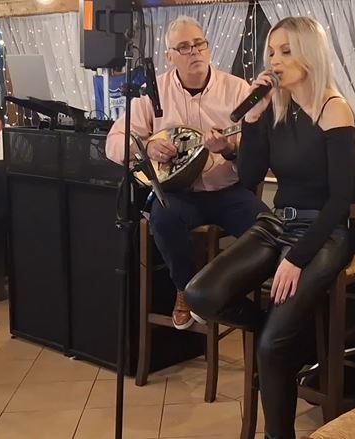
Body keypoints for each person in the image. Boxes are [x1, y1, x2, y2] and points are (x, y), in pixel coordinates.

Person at [184, 17, 355, 439]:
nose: (274, 61)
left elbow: (340, 202)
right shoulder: (277, 107)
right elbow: (248, 177)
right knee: (200, 295)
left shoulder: (334, 109)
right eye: (271, 52)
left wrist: (296, 259)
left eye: (286, 51)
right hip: (278, 221)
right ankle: (272, 327)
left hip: (324, 232)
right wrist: (254, 120)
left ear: (309, 55)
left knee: (271, 349)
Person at [105, 16, 268, 330]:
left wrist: (229, 148)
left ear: (208, 48)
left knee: (269, 228)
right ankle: (186, 290)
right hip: (180, 194)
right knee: (163, 218)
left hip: (228, 191)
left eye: (199, 44)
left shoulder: (237, 90)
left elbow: (258, 151)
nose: (194, 51)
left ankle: (226, 295)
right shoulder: (153, 92)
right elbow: (113, 143)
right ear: (169, 57)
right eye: (183, 47)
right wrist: (147, 147)